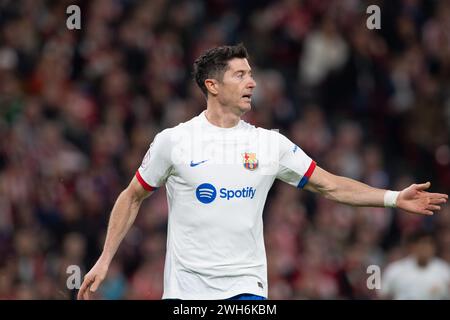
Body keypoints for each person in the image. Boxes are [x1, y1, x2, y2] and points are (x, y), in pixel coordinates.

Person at [77, 43, 448, 300]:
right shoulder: (174, 141)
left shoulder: (271, 144)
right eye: (240, 75)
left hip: (247, 286)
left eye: (251, 74)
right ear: (212, 85)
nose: (252, 82)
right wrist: (105, 258)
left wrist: (393, 198)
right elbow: (132, 195)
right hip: (186, 290)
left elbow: (331, 186)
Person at [379, 230, 450, 299]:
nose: (425, 249)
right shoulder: (396, 269)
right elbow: (383, 294)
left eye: (429, 244)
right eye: (422, 244)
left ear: (434, 248)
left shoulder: (444, 271)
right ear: (414, 247)